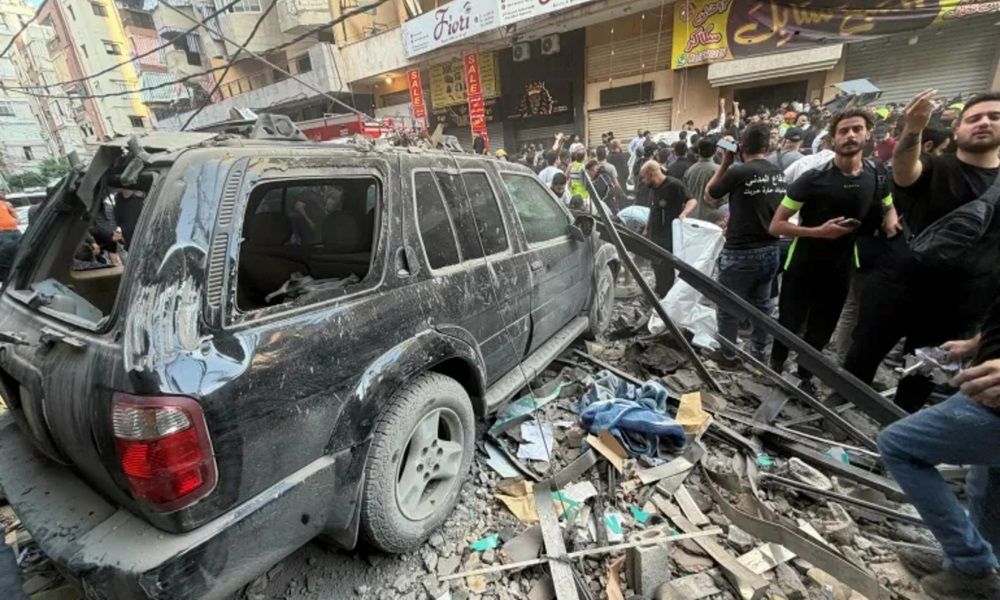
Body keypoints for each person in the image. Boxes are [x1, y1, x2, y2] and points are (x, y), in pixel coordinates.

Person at [844, 90, 1000, 412]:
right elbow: (904, 171)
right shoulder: (935, 166)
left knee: (923, 375)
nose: (983, 123)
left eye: (994, 117)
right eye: (974, 118)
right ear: (957, 129)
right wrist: (913, 128)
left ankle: (901, 418)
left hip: (960, 303)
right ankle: (842, 403)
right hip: (898, 284)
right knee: (864, 352)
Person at [878, 298, 1000, 599]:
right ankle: (974, 567)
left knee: (899, 445)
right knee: (988, 486)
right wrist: (974, 345)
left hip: (991, 403)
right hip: (989, 392)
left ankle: (972, 565)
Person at [768, 109, 899, 388]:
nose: (850, 135)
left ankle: (805, 376)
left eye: (856, 129)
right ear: (833, 138)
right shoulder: (812, 179)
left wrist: (890, 218)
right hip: (803, 263)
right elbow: (776, 225)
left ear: (867, 134)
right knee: (789, 322)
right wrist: (818, 232)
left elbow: (888, 204)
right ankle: (775, 367)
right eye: (843, 131)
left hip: (842, 265)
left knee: (823, 327)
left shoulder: (877, 174)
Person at [705, 123, 787, 365]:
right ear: (767, 147)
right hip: (771, 250)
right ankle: (758, 354)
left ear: (741, 147)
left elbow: (710, 195)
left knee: (728, 306)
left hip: (741, 252)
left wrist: (726, 162)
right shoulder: (777, 173)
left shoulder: (739, 172)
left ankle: (728, 354)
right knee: (762, 307)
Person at [639, 160, 697, 296]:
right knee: (656, 265)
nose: (643, 181)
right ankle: (660, 293)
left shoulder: (674, 185)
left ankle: (667, 296)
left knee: (667, 268)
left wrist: (684, 214)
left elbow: (692, 200)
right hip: (656, 235)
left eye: (644, 178)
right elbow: (653, 209)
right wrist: (647, 228)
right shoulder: (653, 189)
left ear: (651, 174)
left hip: (669, 237)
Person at [684, 137, 722, 220]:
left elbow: (685, 195)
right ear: (715, 151)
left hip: (691, 216)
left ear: (699, 151)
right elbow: (722, 200)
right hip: (711, 218)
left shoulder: (690, 170)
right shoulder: (719, 171)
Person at [0, 195, 21, 280]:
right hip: (3, 233)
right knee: (6, 256)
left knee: (21, 251)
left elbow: (13, 212)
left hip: (14, 231)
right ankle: (7, 277)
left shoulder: (3, 203)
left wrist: (17, 219)